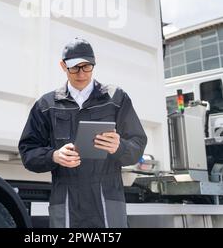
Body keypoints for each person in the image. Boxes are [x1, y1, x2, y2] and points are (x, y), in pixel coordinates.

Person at [18, 37, 147, 228]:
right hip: (67, 198)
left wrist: (119, 147)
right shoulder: (46, 105)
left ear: (94, 64)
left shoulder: (116, 99)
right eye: (74, 67)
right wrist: (54, 156)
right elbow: (28, 152)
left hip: (106, 197)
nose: (81, 73)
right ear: (63, 66)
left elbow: (137, 144)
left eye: (86, 66)